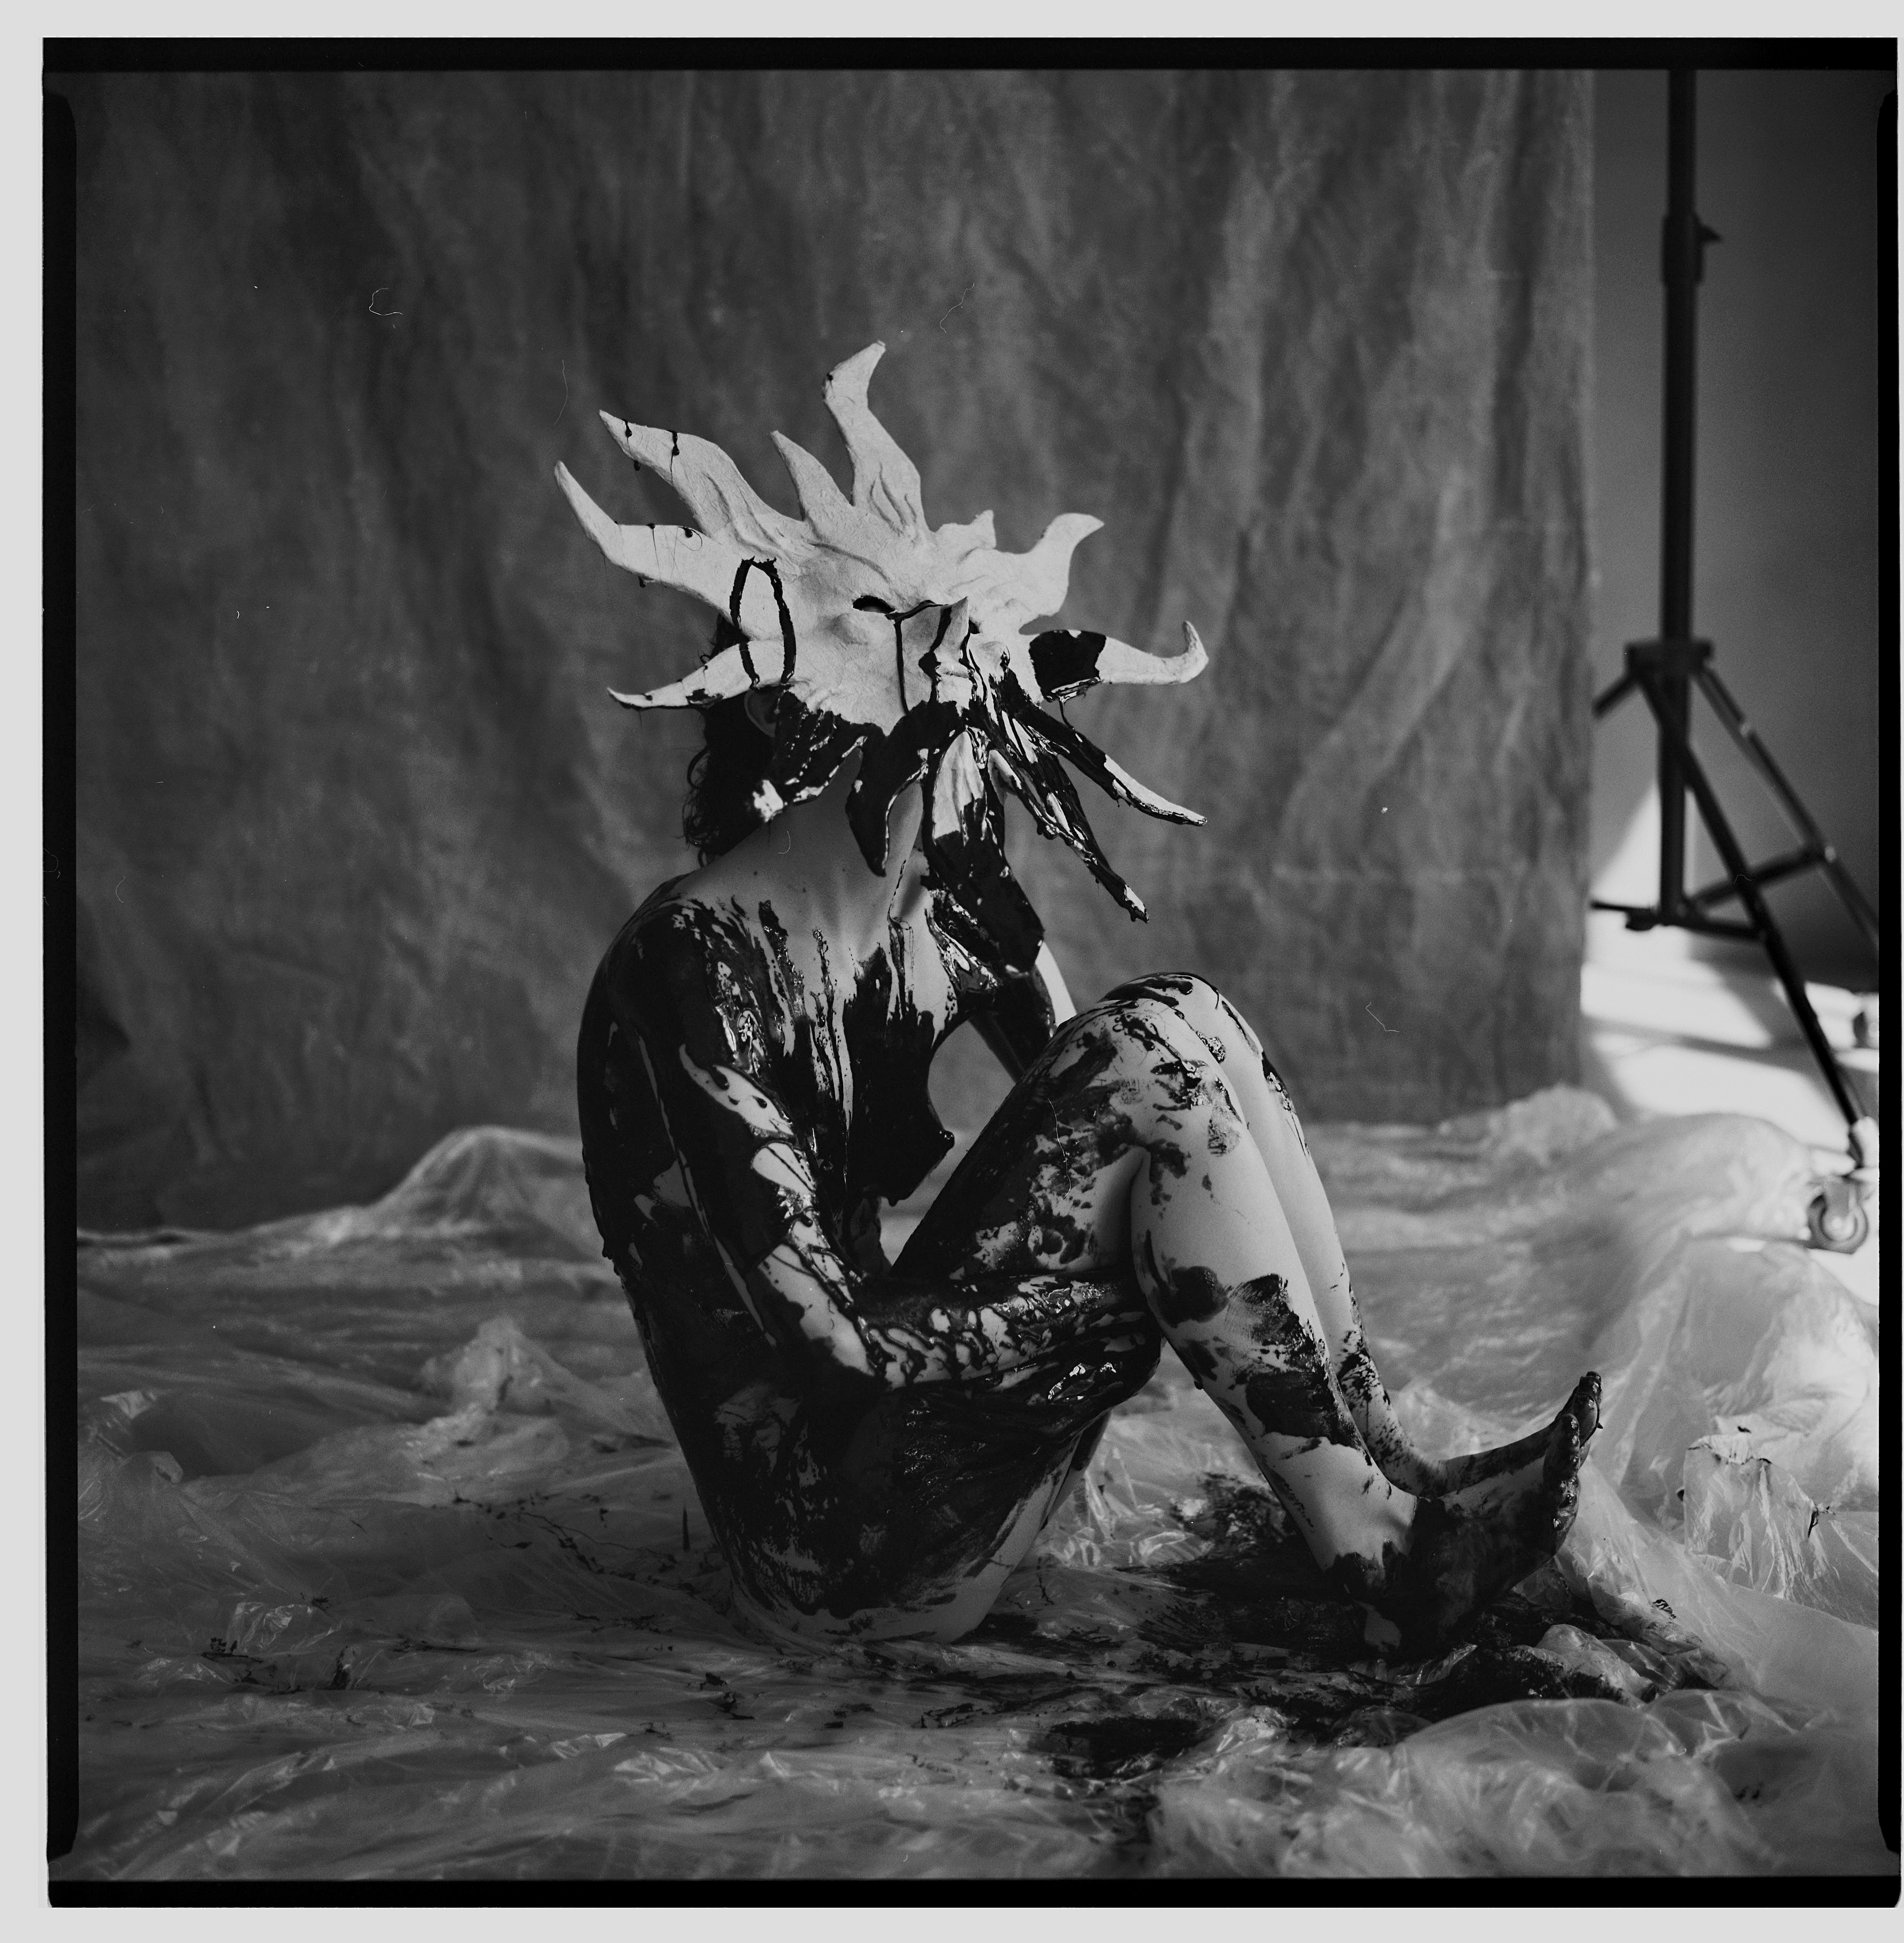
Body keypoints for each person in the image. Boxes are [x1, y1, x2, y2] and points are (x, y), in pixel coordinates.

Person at [559, 345, 1599, 1654]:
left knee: (1190, 1018)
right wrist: (1092, 1314)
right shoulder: (692, 963)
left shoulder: (937, 908)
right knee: (1148, 1046)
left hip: (952, 1475)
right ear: (788, 709)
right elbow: (831, 1348)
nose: (958, 689)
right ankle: (1378, 1552)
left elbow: (1120, 1124)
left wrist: (1121, 1279)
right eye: (895, 646)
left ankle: (1387, 1472)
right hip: (834, 1553)